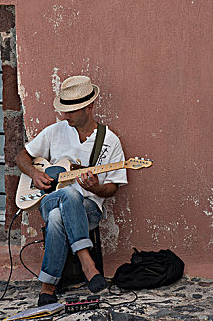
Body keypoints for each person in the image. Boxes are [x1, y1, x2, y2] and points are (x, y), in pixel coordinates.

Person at [16, 75, 128, 306]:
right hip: (49, 199)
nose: (64, 116)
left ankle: (48, 286)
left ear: (89, 107)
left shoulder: (110, 142)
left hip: (89, 209)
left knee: (63, 208)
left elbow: (112, 188)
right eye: (64, 110)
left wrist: (96, 187)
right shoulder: (55, 131)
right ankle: (87, 263)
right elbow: (21, 157)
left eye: (71, 111)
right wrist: (35, 174)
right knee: (67, 194)